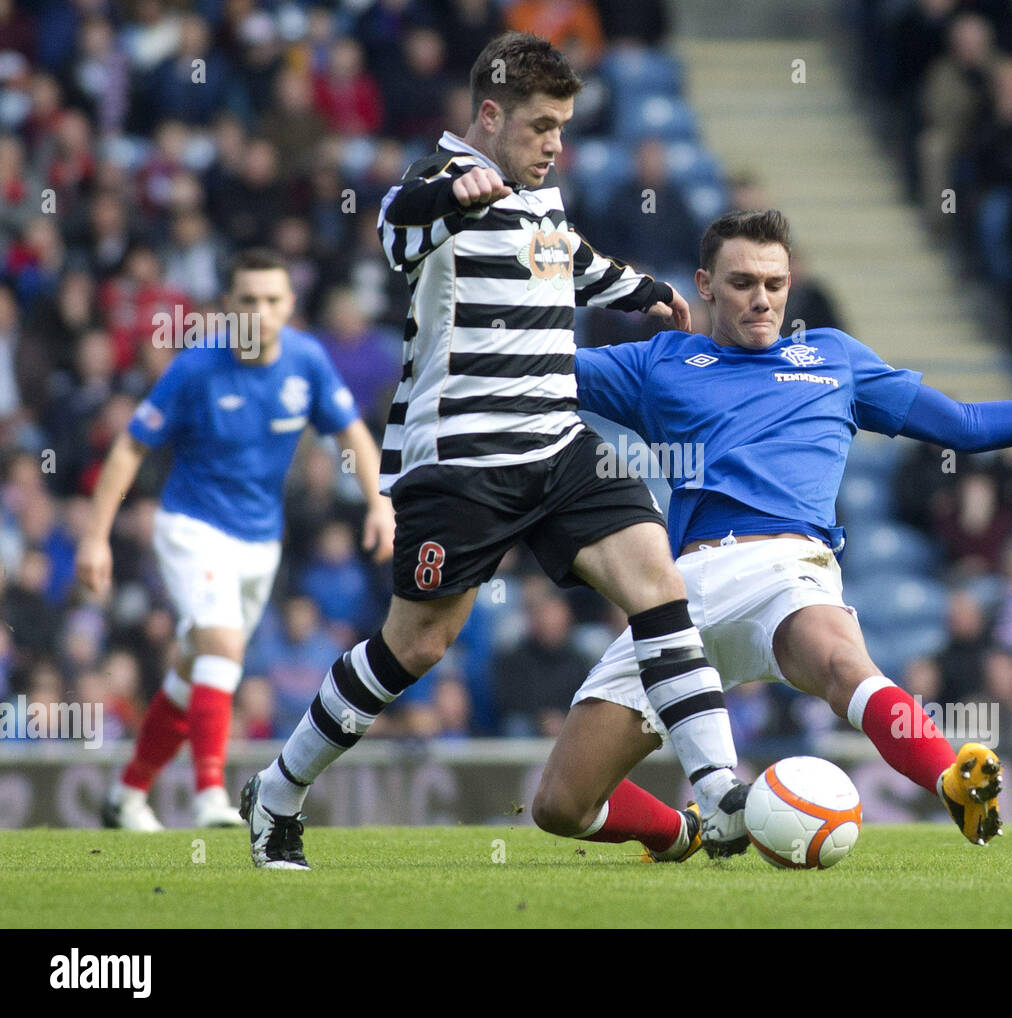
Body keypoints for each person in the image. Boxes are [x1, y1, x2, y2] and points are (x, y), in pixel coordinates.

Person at [530, 209, 1012, 859]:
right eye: (742, 283)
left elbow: (966, 425)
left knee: (844, 660)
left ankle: (949, 780)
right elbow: (535, 370)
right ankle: (684, 831)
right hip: (680, 594)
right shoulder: (662, 361)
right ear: (704, 284)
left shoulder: (834, 359)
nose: (762, 299)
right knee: (561, 804)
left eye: (775, 283)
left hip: (789, 565)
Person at [240, 32, 745, 869]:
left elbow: (568, 260)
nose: (555, 141)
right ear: (489, 114)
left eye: (564, 126)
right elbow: (395, 228)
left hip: (558, 443)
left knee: (657, 580)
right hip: (462, 459)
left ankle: (720, 790)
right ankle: (281, 789)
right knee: (416, 647)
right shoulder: (437, 187)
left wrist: (645, 291)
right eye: (541, 124)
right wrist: (454, 197)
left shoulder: (541, 194)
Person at [76, 248, 393, 830]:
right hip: (191, 527)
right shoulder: (196, 368)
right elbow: (129, 446)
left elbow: (351, 431)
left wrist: (378, 502)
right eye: (249, 300)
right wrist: (95, 538)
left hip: (260, 543)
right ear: (228, 305)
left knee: (195, 666)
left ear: (290, 304)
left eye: (273, 300)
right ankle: (209, 797)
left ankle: (126, 795)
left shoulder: (305, 360)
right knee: (220, 646)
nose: (262, 312)